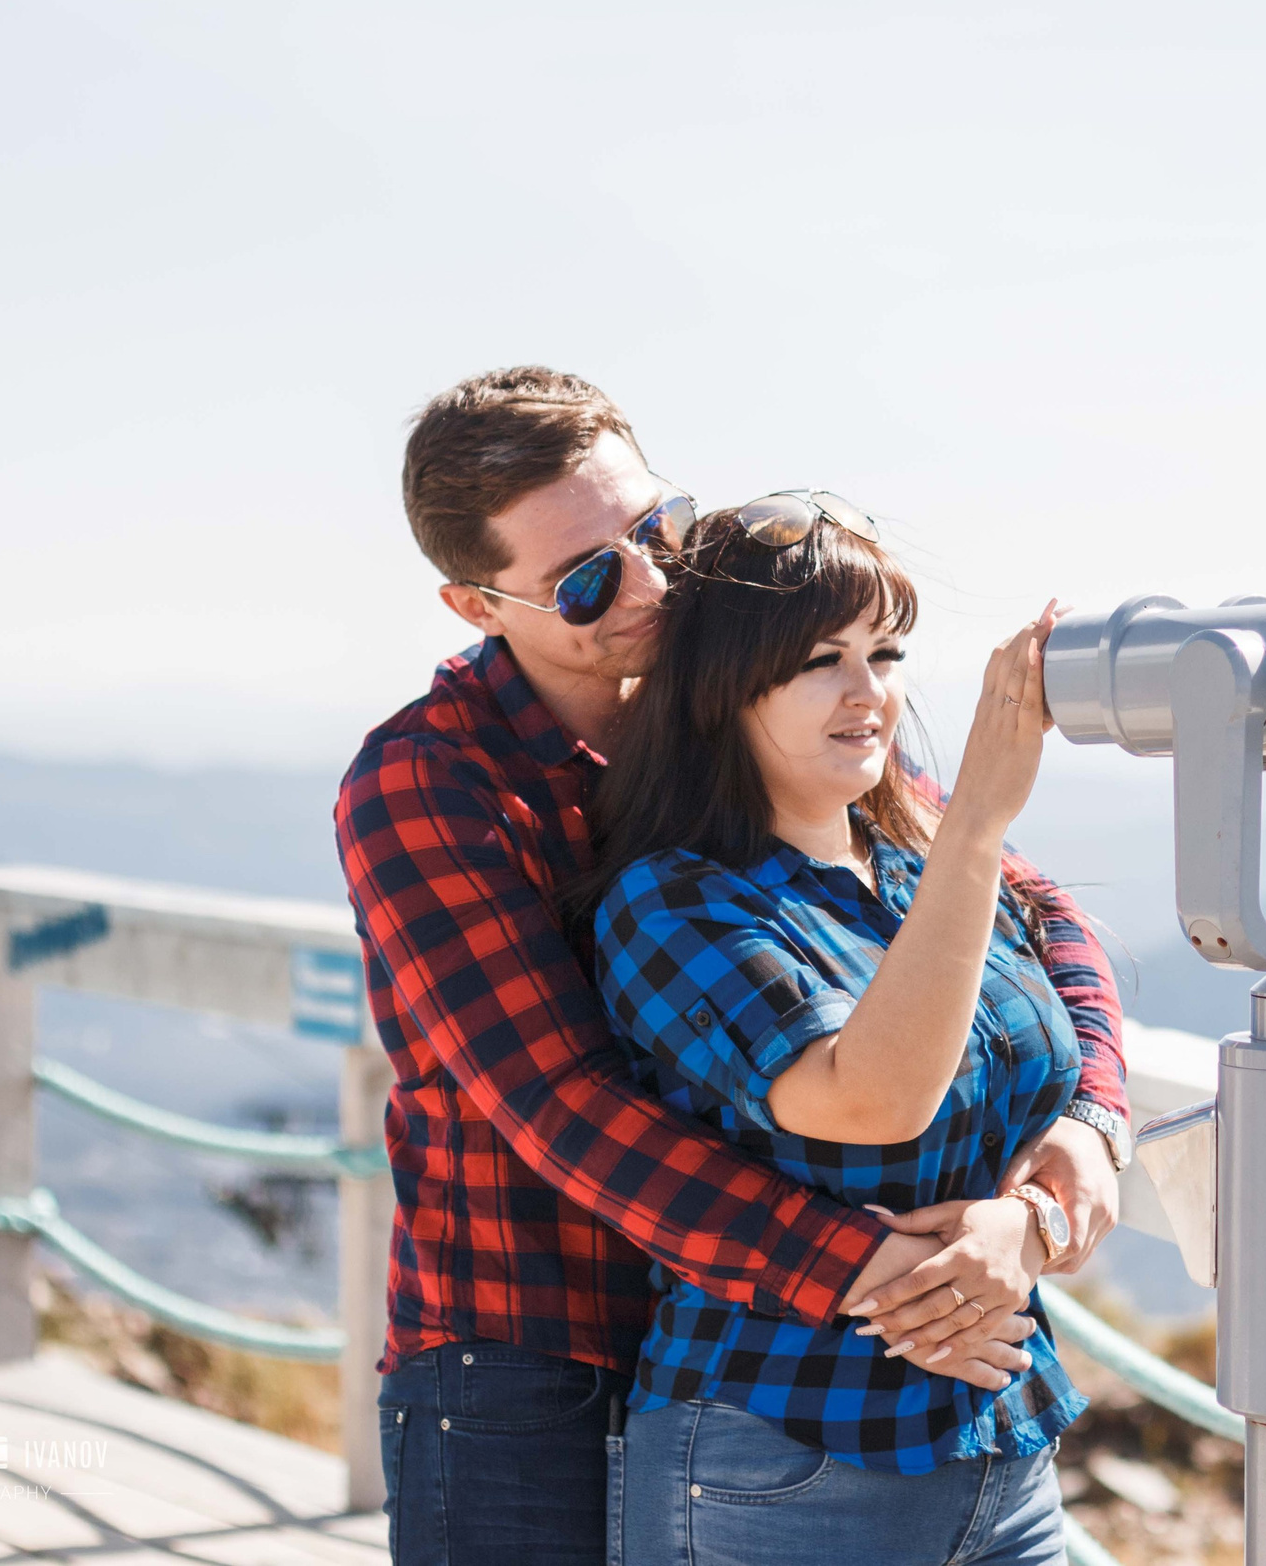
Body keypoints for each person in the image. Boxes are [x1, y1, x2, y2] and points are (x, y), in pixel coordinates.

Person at [336, 368, 1129, 1566]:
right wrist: (887, 1270)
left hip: (748, 1343)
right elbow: (565, 1108)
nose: (652, 583)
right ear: (474, 604)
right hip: (528, 1351)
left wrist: (1091, 1125)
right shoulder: (429, 782)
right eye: (589, 577)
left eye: (659, 529)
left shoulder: (741, 710)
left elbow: (1017, 905)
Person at [581, 499, 1082, 1566]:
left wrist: (1042, 1206)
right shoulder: (673, 903)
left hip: (998, 1449)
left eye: (885, 651)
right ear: (723, 692)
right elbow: (869, 1103)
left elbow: (1062, 1038)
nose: (870, 694)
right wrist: (981, 824)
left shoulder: (912, 866)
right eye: (821, 659)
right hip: (777, 1467)